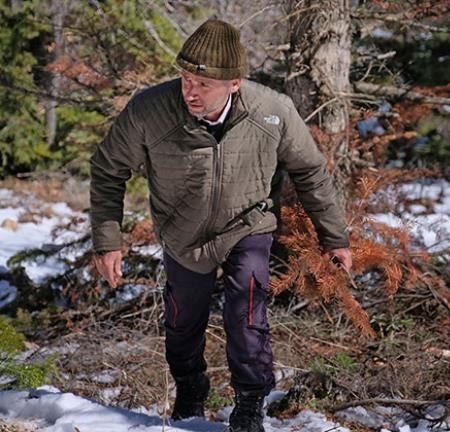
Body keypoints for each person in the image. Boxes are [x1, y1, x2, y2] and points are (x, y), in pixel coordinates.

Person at [89, 19, 352, 432]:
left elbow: (311, 174)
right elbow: (107, 169)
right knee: (181, 322)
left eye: (202, 84)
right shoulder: (150, 110)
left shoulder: (273, 111)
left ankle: (249, 405)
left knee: (247, 313)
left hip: (248, 226)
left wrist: (334, 237)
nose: (190, 91)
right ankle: (190, 388)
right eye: (185, 78)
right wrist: (108, 241)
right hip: (183, 234)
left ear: (233, 83)